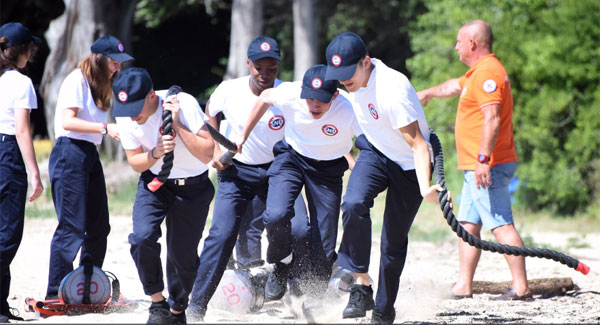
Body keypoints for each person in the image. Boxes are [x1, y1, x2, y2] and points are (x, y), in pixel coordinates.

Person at [324, 32, 444, 324]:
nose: (342, 81)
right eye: (337, 74)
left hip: (407, 165)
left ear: (366, 62)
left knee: (392, 242)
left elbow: (417, 145)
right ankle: (361, 284)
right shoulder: (351, 80)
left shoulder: (392, 90)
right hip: (376, 154)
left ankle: (384, 310)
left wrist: (426, 186)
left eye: (348, 73)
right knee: (352, 203)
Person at [187, 36, 308, 320]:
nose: (265, 75)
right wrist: (216, 147)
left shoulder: (287, 93)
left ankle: (282, 267)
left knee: (301, 229)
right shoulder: (229, 90)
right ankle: (196, 306)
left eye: (272, 69)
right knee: (221, 235)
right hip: (236, 172)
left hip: (278, 170)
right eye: (259, 68)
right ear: (248, 64)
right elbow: (210, 114)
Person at [416, 20, 531, 301]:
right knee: (468, 224)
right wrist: (428, 93)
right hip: (473, 166)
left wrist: (483, 160)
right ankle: (463, 286)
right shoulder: (476, 74)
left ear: (471, 44)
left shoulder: (488, 73)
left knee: (501, 223)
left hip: (486, 165)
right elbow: (454, 86)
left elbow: (492, 118)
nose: (455, 46)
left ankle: (521, 287)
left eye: (458, 41)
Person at [236, 64, 360, 312]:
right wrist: (243, 136)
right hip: (291, 159)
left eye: (321, 100)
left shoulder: (350, 109)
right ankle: (282, 264)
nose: (314, 104)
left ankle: (315, 295)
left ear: (334, 95)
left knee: (323, 240)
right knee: (276, 215)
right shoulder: (291, 93)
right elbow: (264, 97)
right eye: (310, 98)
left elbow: (373, 139)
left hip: (327, 169)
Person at [113, 67, 215, 324]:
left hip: (193, 187)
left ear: (151, 97)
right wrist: (156, 153)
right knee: (141, 238)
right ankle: (157, 303)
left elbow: (206, 153)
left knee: (183, 257)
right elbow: (136, 162)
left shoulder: (185, 104)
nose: (131, 116)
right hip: (155, 183)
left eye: (136, 108)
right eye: (126, 110)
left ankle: (178, 309)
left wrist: (178, 125)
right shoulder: (127, 117)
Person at [45, 35, 132, 299]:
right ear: (100, 59)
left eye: (120, 63)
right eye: (114, 63)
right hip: (69, 151)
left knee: (98, 225)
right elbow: (68, 121)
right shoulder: (76, 80)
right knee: (71, 227)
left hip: (89, 154)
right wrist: (105, 127)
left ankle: (87, 286)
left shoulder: (100, 84)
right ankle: (55, 293)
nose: (118, 68)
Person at [0, 22, 44, 323]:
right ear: (23, 51)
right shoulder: (20, 83)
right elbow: (22, 130)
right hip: (7, 155)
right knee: (7, 235)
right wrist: (35, 173)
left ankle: (1, 307)